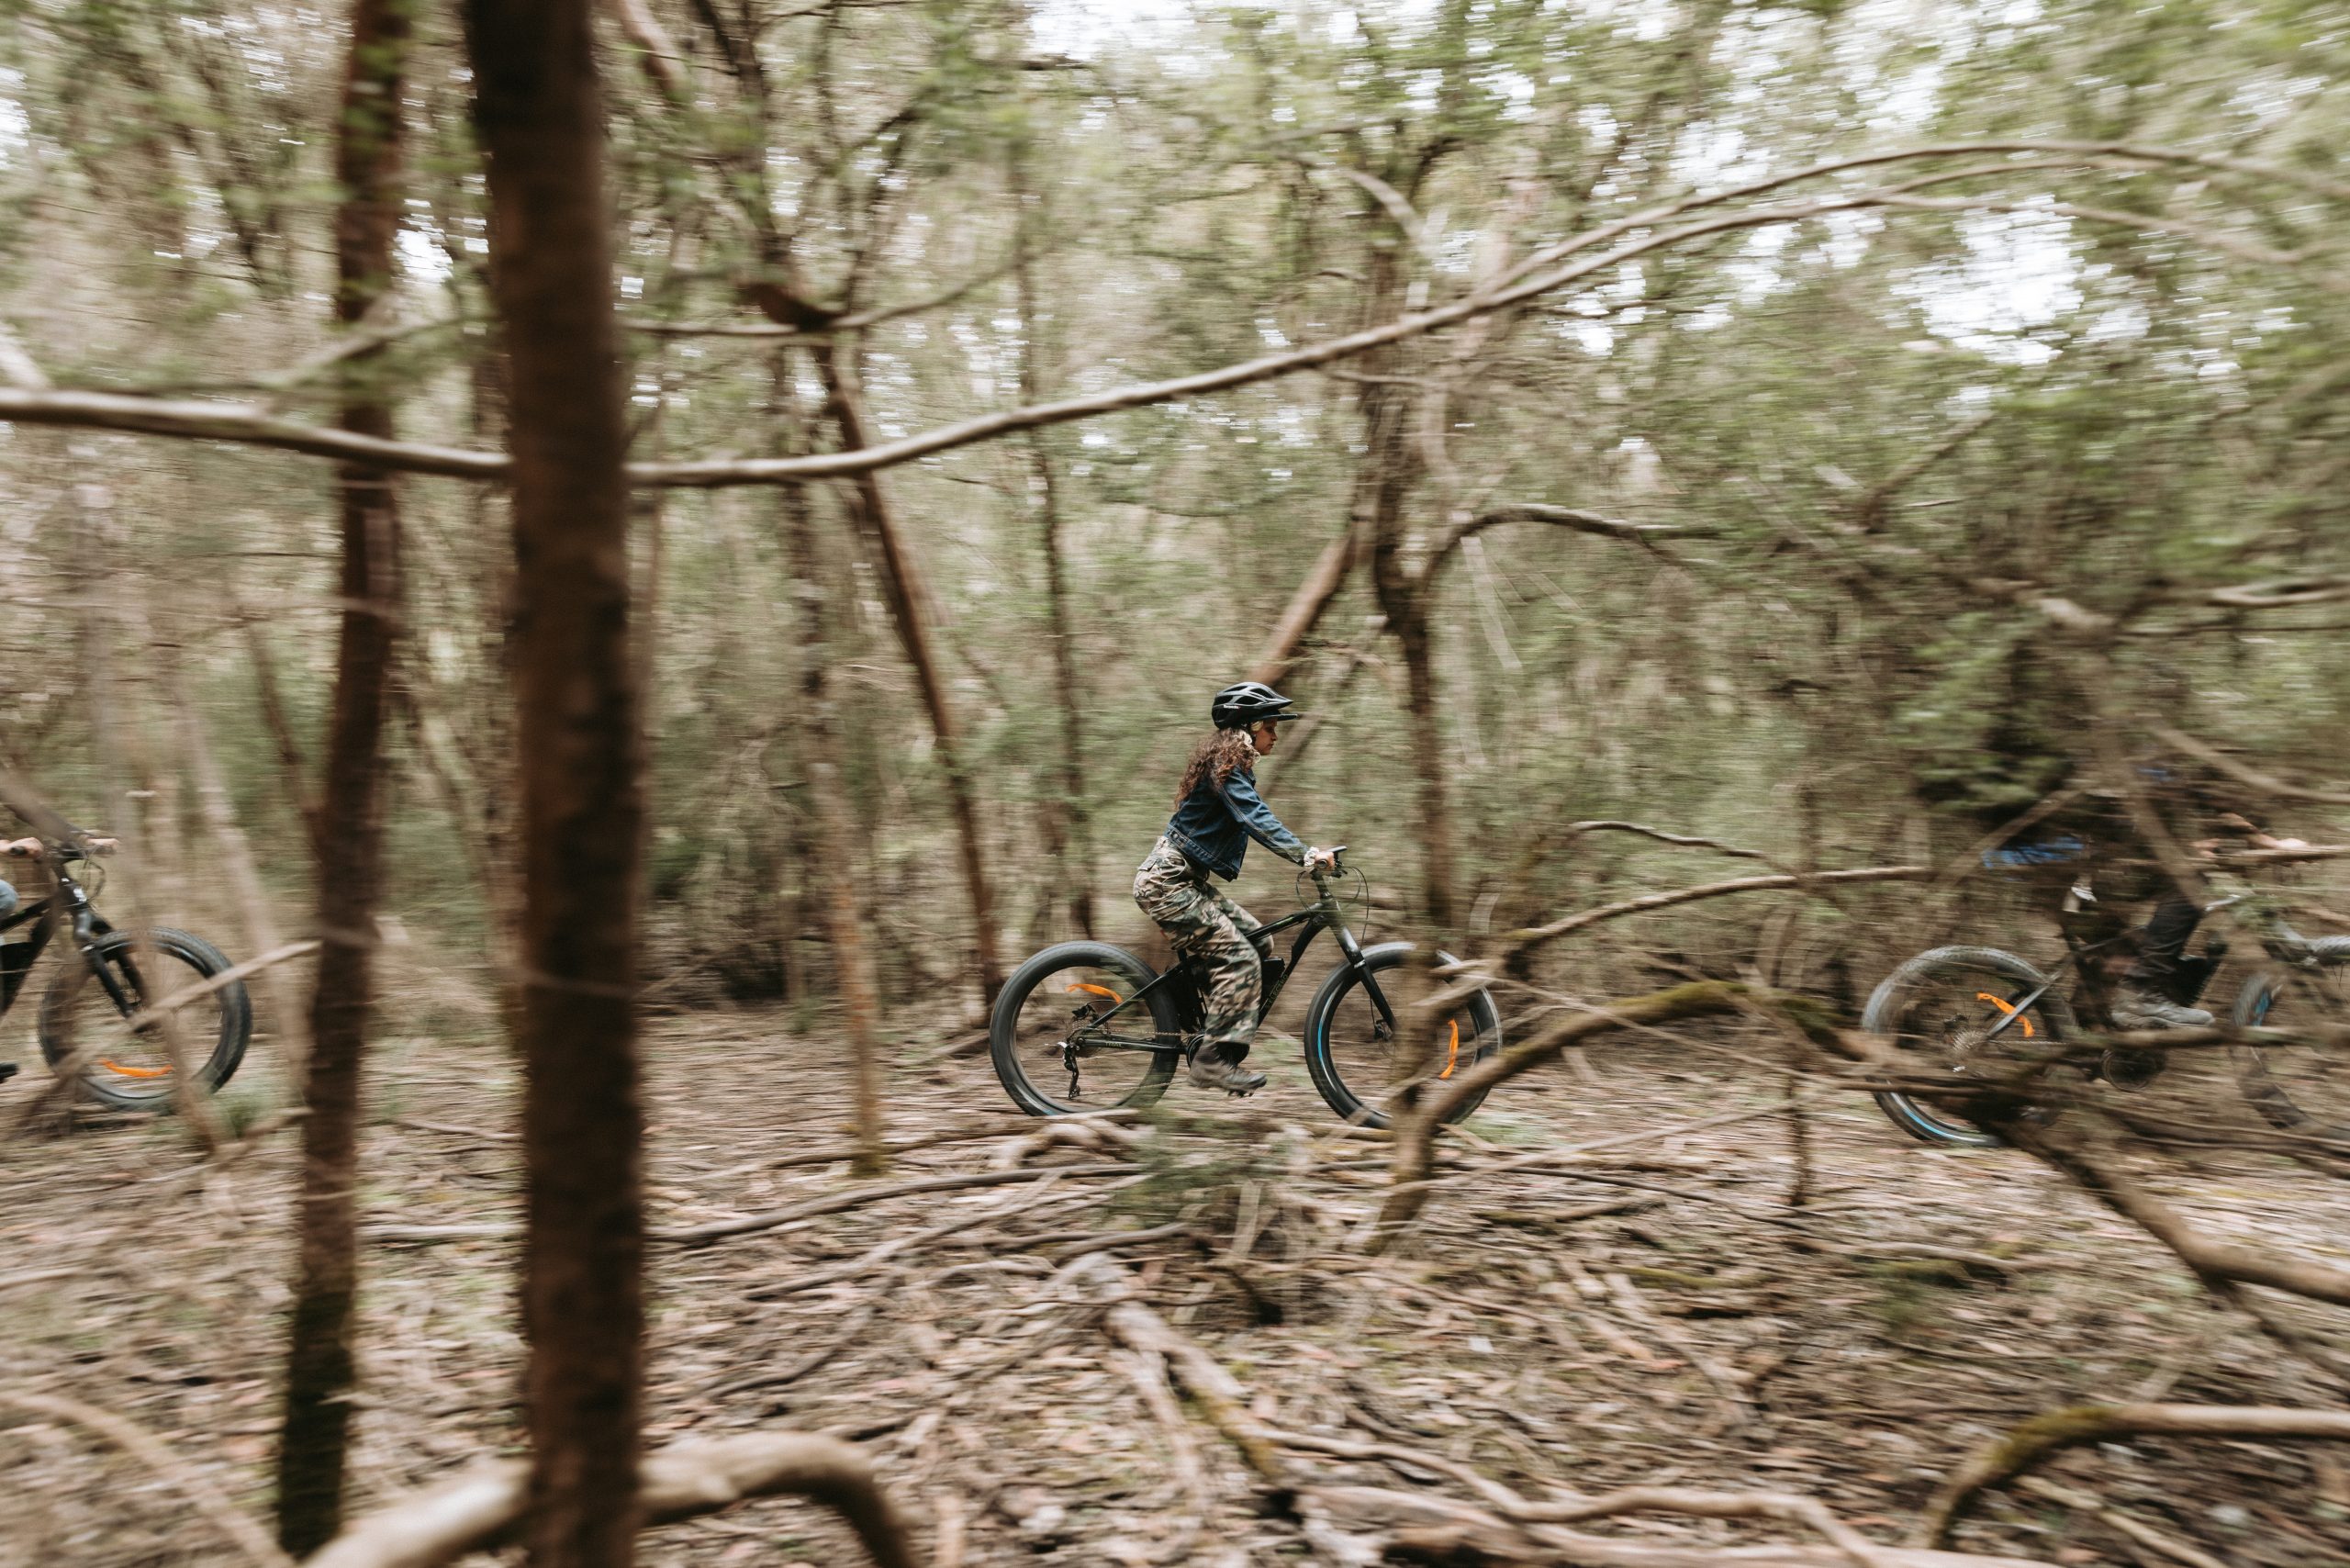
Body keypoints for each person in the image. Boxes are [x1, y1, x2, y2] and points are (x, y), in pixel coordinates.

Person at [1135, 682, 1337, 1092]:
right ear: (1250, 725)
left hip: (1181, 880)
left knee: (1259, 946)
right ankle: (1211, 1061)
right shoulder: (1225, 767)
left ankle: (1196, 1015)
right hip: (1167, 883)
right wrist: (1304, 853)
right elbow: (1254, 817)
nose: (1275, 735)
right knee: (1241, 958)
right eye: (1271, 726)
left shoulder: (1232, 765)